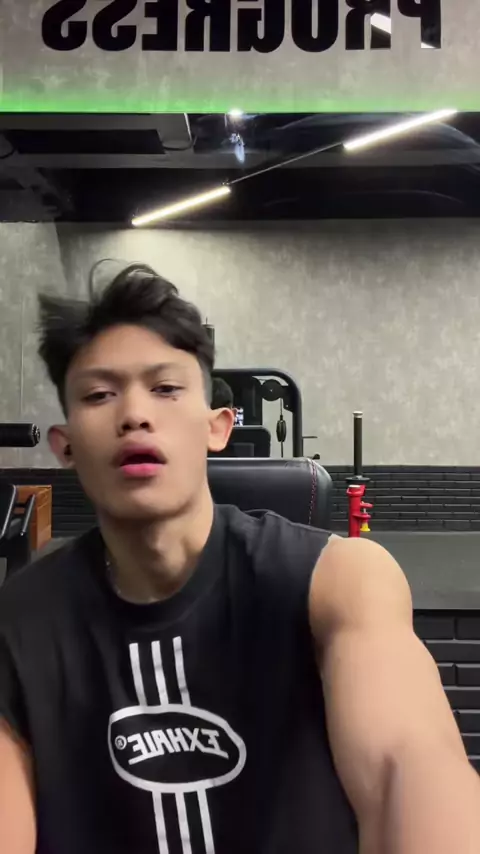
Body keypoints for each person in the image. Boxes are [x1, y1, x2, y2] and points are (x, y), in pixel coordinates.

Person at [0, 263, 479, 854]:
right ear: (66, 445)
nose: (134, 415)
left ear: (218, 427)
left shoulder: (338, 581)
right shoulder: (19, 622)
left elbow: (407, 770)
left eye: (166, 389)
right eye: (100, 394)